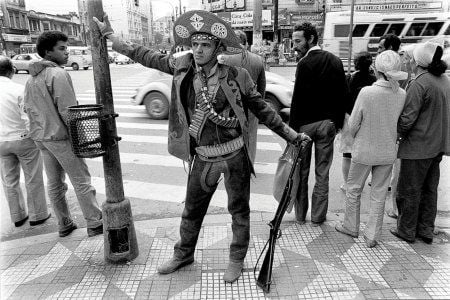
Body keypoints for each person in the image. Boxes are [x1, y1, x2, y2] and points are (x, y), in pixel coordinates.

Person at [94, 11, 309, 283]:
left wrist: (291, 135)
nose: (198, 50)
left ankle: (236, 258)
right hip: (203, 158)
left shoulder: (238, 75)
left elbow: (264, 111)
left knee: (239, 212)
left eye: (205, 45)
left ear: (218, 48)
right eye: (194, 45)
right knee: (191, 211)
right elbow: (147, 56)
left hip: (234, 157)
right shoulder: (182, 67)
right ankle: (183, 254)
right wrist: (112, 37)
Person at [23, 31, 103, 238]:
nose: (67, 53)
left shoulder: (32, 78)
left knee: (55, 183)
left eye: (66, 48)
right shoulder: (57, 74)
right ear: (48, 52)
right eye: (62, 48)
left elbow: (29, 109)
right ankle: (95, 222)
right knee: (81, 179)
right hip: (60, 137)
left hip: (41, 138)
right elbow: (69, 112)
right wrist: (82, 139)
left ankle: (64, 223)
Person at [335, 50, 407, 248]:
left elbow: (354, 123)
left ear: (377, 70)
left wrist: (359, 135)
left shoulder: (367, 92)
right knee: (379, 193)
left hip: (364, 150)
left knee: (354, 189)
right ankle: (372, 235)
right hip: (387, 151)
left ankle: (351, 226)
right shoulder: (401, 94)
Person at [288, 22, 348, 226]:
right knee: (322, 172)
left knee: (301, 171)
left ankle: (300, 215)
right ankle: (318, 217)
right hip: (327, 124)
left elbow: (297, 100)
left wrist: (292, 131)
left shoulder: (304, 64)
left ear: (311, 39)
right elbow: (343, 95)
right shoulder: (335, 61)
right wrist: (337, 122)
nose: (295, 46)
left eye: (298, 41)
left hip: (305, 126)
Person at [391, 42, 450, 244]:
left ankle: (406, 230)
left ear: (419, 61)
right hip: (437, 146)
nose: (410, 61)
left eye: (412, 58)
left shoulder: (420, 83)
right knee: (429, 190)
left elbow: (407, 118)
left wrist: (396, 135)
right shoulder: (444, 80)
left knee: (409, 191)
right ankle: (426, 230)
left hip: (417, 147)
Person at [0, 56, 51, 227]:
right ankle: (38, 215)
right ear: (12, 70)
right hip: (23, 140)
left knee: (9, 181)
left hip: (1, 143)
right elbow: (28, 118)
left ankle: (18, 216)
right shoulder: (18, 90)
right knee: (33, 177)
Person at [217, 29, 266, 161]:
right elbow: (262, 89)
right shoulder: (258, 60)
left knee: (230, 138)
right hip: (251, 108)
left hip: (229, 108)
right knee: (250, 137)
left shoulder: (222, 59)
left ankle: (231, 165)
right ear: (246, 43)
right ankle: (249, 164)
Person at [339, 52, 376, 192]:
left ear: (356, 64)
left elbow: (343, 99)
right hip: (369, 119)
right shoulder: (375, 80)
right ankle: (367, 182)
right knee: (369, 154)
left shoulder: (350, 78)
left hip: (350, 117)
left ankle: (348, 184)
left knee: (348, 155)